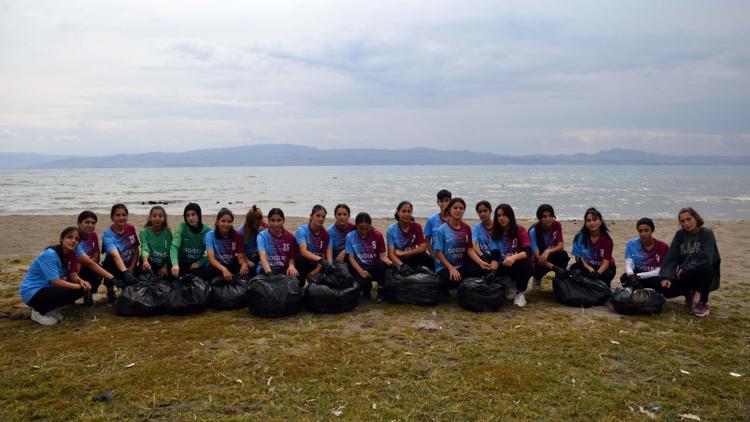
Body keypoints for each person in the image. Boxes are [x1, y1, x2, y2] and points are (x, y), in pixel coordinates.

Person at [19, 227, 92, 325]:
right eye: (70, 237)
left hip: (48, 289)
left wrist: (81, 282)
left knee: (80, 289)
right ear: (62, 239)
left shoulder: (71, 254)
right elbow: (55, 281)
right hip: (32, 291)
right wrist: (77, 286)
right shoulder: (50, 254)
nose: (73, 241)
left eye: (77, 239)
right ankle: (37, 312)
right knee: (64, 290)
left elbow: (73, 275)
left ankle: (50, 310)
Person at [659, 208, 721, 317]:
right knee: (667, 291)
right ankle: (689, 294)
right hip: (686, 274)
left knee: (705, 268)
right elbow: (671, 256)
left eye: (689, 219)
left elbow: (706, 258)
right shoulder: (680, 235)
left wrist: (685, 266)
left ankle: (703, 303)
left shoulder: (707, 233)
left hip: (708, 277)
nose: (686, 223)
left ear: (696, 218)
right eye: (682, 221)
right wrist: (666, 276)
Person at [432, 197, 484, 293]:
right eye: (455, 208)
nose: (458, 210)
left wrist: (481, 262)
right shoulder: (441, 230)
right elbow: (438, 252)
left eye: (461, 208)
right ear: (450, 210)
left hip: (461, 265)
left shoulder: (466, 228)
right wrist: (451, 268)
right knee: (452, 283)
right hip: (444, 267)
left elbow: (470, 249)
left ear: (464, 210)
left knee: (482, 270)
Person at [488, 204, 533, 307]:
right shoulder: (495, 234)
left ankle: (520, 293)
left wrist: (513, 257)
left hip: (517, 263)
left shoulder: (520, 230)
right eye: (499, 215)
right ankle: (510, 286)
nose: (501, 218)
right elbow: (495, 256)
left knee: (526, 264)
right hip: (503, 265)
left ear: (510, 216)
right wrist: (493, 271)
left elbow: (528, 251)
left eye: (504, 215)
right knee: (490, 271)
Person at [345, 212, 393, 300]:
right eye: (361, 229)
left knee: (382, 266)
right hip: (360, 268)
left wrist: (393, 264)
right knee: (364, 284)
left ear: (370, 226)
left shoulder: (377, 235)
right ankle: (366, 291)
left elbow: (382, 256)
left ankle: (381, 289)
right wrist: (361, 272)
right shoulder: (350, 236)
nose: (364, 232)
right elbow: (351, 258)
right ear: (356, 226)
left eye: (366, 229)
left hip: (374, 267)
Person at [75, 211, 119, 305]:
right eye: (87, 222)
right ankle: (79, 293)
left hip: (88, 266)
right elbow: (76, 263)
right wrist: (86, 260)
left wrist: (85, 260)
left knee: (99, 268)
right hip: (74, 270)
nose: (90, 225)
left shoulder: (93, 235)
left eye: (93, 223)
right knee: (91, 268)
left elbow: (97, 256)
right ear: (79, 223)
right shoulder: (75, 237)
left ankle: (90, 292)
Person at [102, 203, 140, 303]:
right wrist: (125, 272)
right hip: (116, 267)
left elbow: (136, 249)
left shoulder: (130, 228)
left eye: (124, 215)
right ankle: (110, 290)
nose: (121, 217)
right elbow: (115, 255)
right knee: (108, 260)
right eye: (117, 215)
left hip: (130, 265)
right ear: (112, 217)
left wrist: (132, 268)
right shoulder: (107, 235)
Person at [570, 207, 616, 286]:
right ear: (585, 223)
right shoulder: (579, 236)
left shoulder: (607, 240)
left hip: (603, 267)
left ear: (600, 222)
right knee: (574, 269)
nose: (592, 223)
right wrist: (589, 269)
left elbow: (606, 262)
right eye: (588, 220)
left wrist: (597, 273)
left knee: (607, 274)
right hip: (586, 265)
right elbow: (578, 259)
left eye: (594, 220)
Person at [621, 217, 670, 292]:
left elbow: (660, 270)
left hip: (653, 276)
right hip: (637, 275)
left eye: (646, 230)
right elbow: (628, 264)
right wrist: (631, 275)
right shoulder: (631, 244)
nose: (643, 233)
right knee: (624, 278)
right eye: (640, 231)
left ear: (652, 230)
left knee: (662, 285)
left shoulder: (662, 247)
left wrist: (639, 276)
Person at [529, 204, 569, 291]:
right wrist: (555, 268)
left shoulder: (557, 225)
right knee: (538, 262)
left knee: (563, 255)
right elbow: (537, 257)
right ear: (539, 218)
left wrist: (548, 251)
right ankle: (537, 278)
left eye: (550, 216)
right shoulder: (533, 231)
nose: (548, 219)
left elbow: (560, 246)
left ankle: (559, 281)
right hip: (539, 261)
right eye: (544, 216)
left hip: (550, 254)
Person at [204, 208, 250, 281]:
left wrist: (244, 264)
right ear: (217, 222)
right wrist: (224, 269)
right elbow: (211, 259)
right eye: (223, 221)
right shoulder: (210, 235)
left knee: (245, 272)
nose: (226, 224)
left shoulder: (237, 236)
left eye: (229, 221)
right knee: (207, 270)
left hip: (231, 264)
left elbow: (240, 258)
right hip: (217, 265)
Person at [387, 201, 433, 271]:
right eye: (403, 211)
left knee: (426, 257)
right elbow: (391, 254)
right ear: (398, 212)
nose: (406, 214)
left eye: (409, 211)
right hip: (398, 260)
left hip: (411, 256)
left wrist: (403, 253)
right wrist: (402, 265)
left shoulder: (416, 226)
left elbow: (423, 247)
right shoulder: (391, 230)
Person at [170, 203, 211, 278]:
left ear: (199, 215)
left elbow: (212, 252)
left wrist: (199, 262)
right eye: (187, 215)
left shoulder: (208, 230)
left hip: (196, 264)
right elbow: (174, 246)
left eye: (193, 214)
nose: (190, 218)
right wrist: (175, 264)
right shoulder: (181, 227)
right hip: (181, 262)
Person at [295, 204, 333, 282]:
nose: (320, 218)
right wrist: (320, 260)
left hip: (316, 265)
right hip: (302, 263)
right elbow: (303, 251)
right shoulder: (302, 230)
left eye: (323, 217)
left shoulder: (325, 234)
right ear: (311, 216)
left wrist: (315, 271)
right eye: (318, 215)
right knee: (301, 259)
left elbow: (322, 255)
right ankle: (301, 282)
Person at [257, 208, 299, 277]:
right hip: (266, 269)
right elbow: (263, 258)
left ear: (283, 221)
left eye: (279, 220)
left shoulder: (290, 237)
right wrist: (270, 275)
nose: (275, 224)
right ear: (268, 221)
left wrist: (292, 266)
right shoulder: (262, 236)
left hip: (283, 268)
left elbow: (292, 257)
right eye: (272, 220)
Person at [139, 206, 173, 278]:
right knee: (142, 260)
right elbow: (144, 248)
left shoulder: (168, 233)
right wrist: (145, 261)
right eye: (154, 216)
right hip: (150, 263)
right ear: (150, 218)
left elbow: (170, 252)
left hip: (164, 263)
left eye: (160, 216)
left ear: (164, 219)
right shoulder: (144, 232)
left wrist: (165, 267)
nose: (157, 218)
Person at [237, 205, 267, 278]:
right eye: (256, 224)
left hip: (260, 256)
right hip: (247, 258)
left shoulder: (264, 227)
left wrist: (265, 234)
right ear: (250, 222)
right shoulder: (241, 232)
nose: (259, 226)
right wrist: (247, 262)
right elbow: (239, 251)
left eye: (260, 223)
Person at [423, 189, 452, 255]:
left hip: (451, 255)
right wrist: (432, 255)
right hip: (437, 255)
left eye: (446, 201)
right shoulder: (431, 220)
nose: (444, 204)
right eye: (441, 201)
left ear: (451, 202)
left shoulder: (454, 219)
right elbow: (427, 239)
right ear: (438, 203)